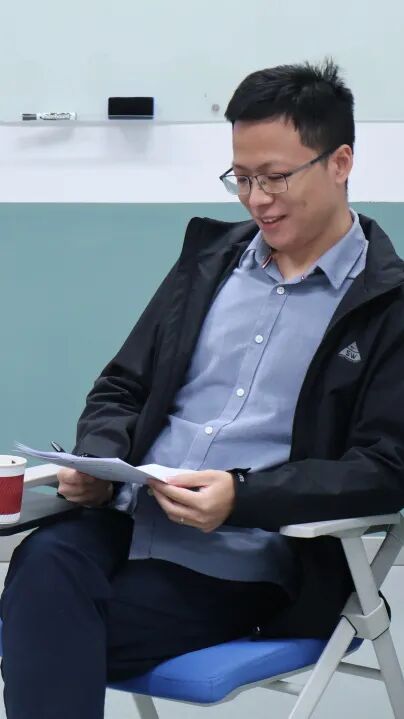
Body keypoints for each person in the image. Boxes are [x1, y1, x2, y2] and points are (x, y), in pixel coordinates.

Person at [2, 58, 404, 719]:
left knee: (43, 625)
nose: (256, 198)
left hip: (243, 560)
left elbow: (386, 468)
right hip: (124, 522)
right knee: (45, 565)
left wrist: (243, 497)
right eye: (241, 178)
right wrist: (100, 459)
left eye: (275, 176)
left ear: (340, 162)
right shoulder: (209, 264)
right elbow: (120, 386)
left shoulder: (387, 304)